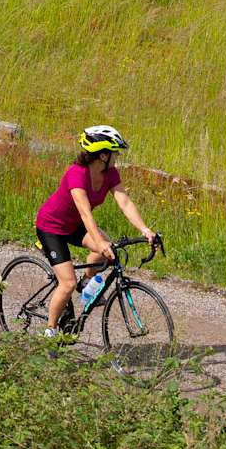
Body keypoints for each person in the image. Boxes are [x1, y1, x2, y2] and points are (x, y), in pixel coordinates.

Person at [35, 124, 157, 332]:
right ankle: (50, 330)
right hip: (51, 227)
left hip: (74, 226)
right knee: (67, 284)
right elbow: (85, 213)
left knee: (108, 252)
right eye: (115, 152)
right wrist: (99, 243)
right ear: (102, 155)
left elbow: (124, 202)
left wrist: (146, 230)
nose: (117, 155)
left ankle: (87, 283)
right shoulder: (76, 174)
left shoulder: (110, 173)